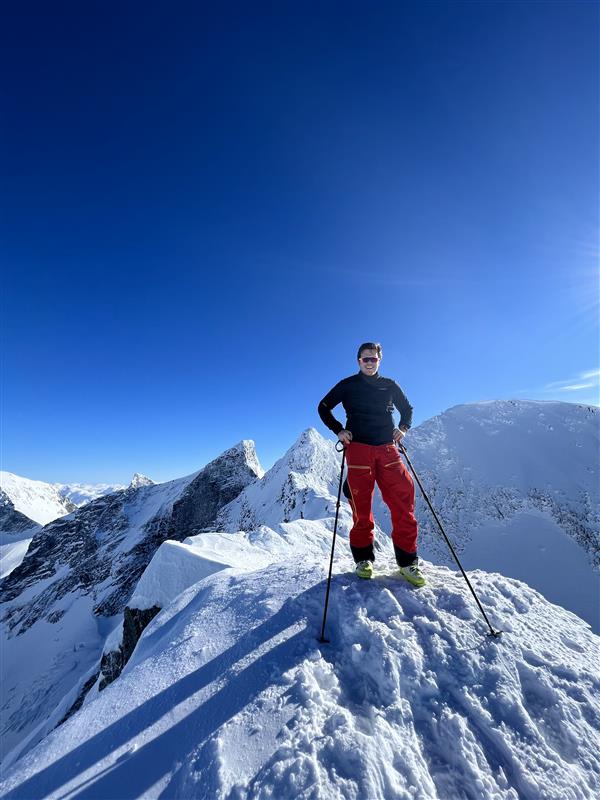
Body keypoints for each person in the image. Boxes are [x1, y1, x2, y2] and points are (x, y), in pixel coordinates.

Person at [317, 342, 425, 586]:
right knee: (361, 507)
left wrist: (403, 428)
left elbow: (407, 409)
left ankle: (408, 563)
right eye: (365, 359)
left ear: (379, 360)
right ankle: (363, 560)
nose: (369, 363)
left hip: (387, 449)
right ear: (358, 361)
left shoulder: (390, 384)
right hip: (358, 450)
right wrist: (338, 430)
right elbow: (323, 407)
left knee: (403, 499)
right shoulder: (347, 385)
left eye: (373, 359)